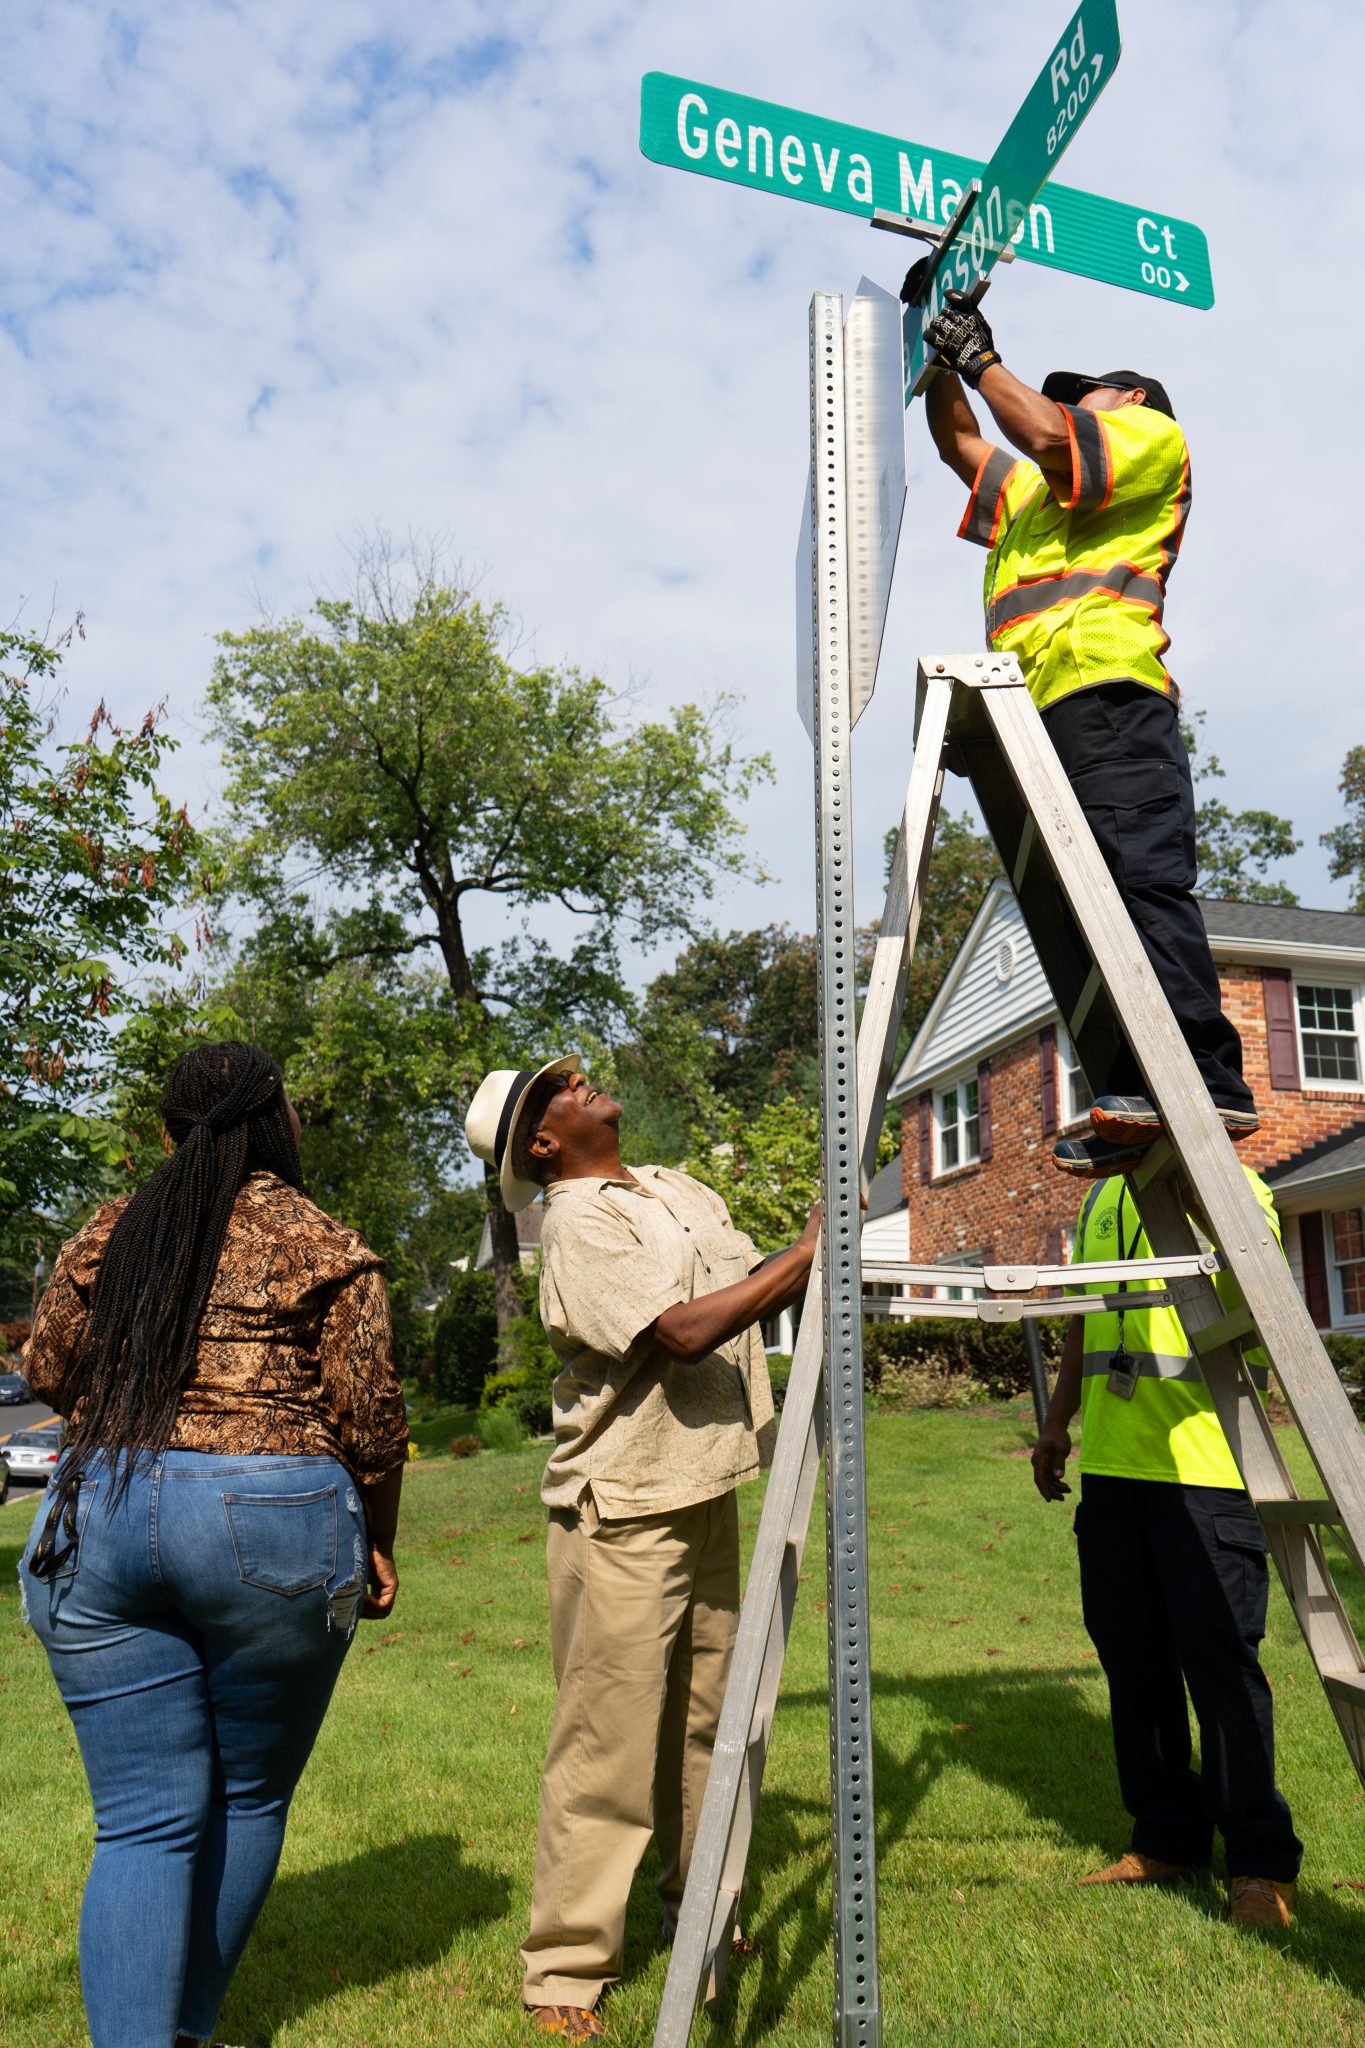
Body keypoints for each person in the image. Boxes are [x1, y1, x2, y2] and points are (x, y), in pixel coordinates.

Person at [19, 1040, 408, 2048]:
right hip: (270, 1519)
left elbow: (49, 1363)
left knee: (142, 1819)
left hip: (96, 1513)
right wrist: (379, 1537)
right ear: (280, 1122)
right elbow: (369, 1416)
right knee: (246, 1793)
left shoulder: (114, 1229)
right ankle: (188, 2031)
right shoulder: (324, 1240)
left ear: (165, 1130)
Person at [465, 1056, 819, 2043]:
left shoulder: (667, 1188)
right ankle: (568, 1963)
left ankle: (705, 1911)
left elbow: (750, 1288)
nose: (579, 1077)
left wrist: (796, 1264)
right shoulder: (578, 1221)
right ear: (541, 1142)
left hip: (705, 1479)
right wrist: (809, 1252)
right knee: (609, 1740)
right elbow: (682, 1329)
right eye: (556, 1089)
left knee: (706, 1722)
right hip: (620, 1503)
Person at [912, 273, 1258, 1178]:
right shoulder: (1030, 497)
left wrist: (978, 354)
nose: (1063, 402)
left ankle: (1207, 1080)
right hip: (1029, 716)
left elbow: (1035, 428)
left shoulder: (1151, 434)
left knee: (1139, 885)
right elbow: (959, 441)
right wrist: (933, 353)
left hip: (1108, 695)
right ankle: (1132, 1093)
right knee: (1072, 915)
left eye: (1083, 393)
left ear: (1130, 400)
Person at [1030, 1169, 1301, 1927]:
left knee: (1219, 1667)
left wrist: (1197, 1200)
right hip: (1113, 1476)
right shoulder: (1099, 1197)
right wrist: (1057, 1422)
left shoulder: (1234, 1183)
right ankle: (1166, 1839)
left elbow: (1258, 1305)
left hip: (1205, 1472)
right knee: (1134, 1666)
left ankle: (1258, 1863)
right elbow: (1089, 1316)